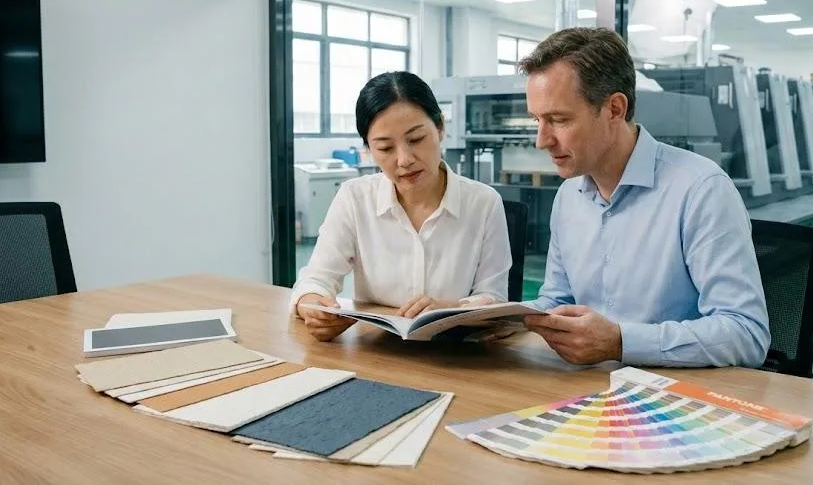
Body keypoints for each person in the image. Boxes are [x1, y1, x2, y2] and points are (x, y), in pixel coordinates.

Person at [519, 27, 771, 368]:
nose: (541, 140)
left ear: (614, 109)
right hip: (588, 388)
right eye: (537, 120)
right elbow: (558, 300)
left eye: (558, 120)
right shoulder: (569, 196)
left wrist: (621, 343)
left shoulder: (700, 190)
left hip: (674, 398)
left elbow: (745, 333)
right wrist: (494, 317)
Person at [291, 71, 512, 342]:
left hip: (457, 357)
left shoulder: (483, 203)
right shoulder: (355, 197)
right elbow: (316, 277)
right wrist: (314, 306)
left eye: (416, 139)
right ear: (369, 149)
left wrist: (453, 308)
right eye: (385, 148)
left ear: (440, 127)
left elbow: (495, 298)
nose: (404, 159)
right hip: (377, 355)